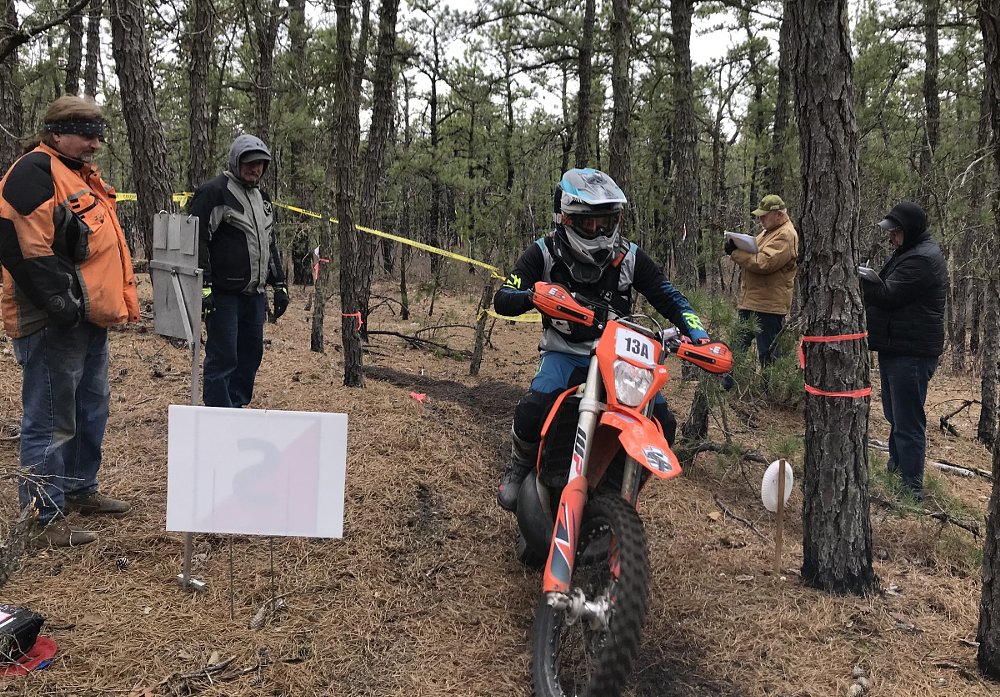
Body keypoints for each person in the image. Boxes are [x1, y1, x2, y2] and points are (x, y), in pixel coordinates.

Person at [493, 168, 711, 511]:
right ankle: (519, 465)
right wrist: (533, 296)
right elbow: (503, 297)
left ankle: (622, 485)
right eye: (588, 223)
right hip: (564, 353)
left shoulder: (629, 256)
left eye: (605, 222)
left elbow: (670, 297)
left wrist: (697, 332)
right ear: (566, 218)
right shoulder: (544, 252)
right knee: (533, 410)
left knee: (662, 423)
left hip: (620, 358)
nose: (598, 230)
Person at [0, 96, 139, 547]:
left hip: (87, 318)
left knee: (90, 408)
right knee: (51, 418)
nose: (95, 144)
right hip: (53, 321)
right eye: (86, 135)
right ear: (56, 133)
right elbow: (21, 245)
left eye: (99, 136)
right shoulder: (34, 171)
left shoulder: (78, 174)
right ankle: (42, 517)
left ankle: (79, 488)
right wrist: (59, 302)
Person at [189, 135, 288, 408]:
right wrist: (204, 286)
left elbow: (269, 244)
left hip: (254, 295)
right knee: (224, 357)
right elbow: (196, 240)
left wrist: (279, 284)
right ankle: (218, 414)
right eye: (249, 163)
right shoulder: (214, 192)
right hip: (223, 294)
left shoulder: (263, 199)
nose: (255, 169)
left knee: (250, 355)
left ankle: (237, 408)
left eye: (260, 164)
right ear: (235, 161)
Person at [861, 201, 948, 499]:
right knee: (896, 417)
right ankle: (896, 472)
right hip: (898, 346)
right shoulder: (910, 251)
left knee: (907, 421)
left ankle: (910, 488)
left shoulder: (921, 259)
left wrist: (859, 279)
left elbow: (888, 294)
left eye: (895, 232)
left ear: (909, 230)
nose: (891, 237)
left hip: (911, 352)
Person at [725, 194, 799, 366]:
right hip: (752, 302)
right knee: (735, 352)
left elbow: (764, 263)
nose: (760, 219)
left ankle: (768, 386)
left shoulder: (786, 235)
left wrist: (735, 253)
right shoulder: (770, 232)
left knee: (769, 359)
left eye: (764, 216)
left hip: (769, 308)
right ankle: (728, 381)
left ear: (778, 214)